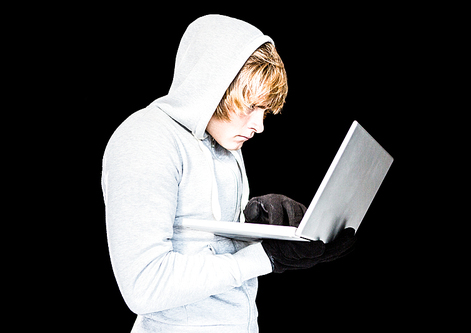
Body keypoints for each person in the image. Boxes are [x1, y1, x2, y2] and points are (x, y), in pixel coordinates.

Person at [101, 14, 356, 333]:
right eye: (250, 106)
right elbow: (145, 285)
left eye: (265, 111)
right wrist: (266, 257)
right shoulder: (145, 139)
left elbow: (211, 248)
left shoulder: (226, 146)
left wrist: (264, 228)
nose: (259, 126)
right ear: (211, 83)